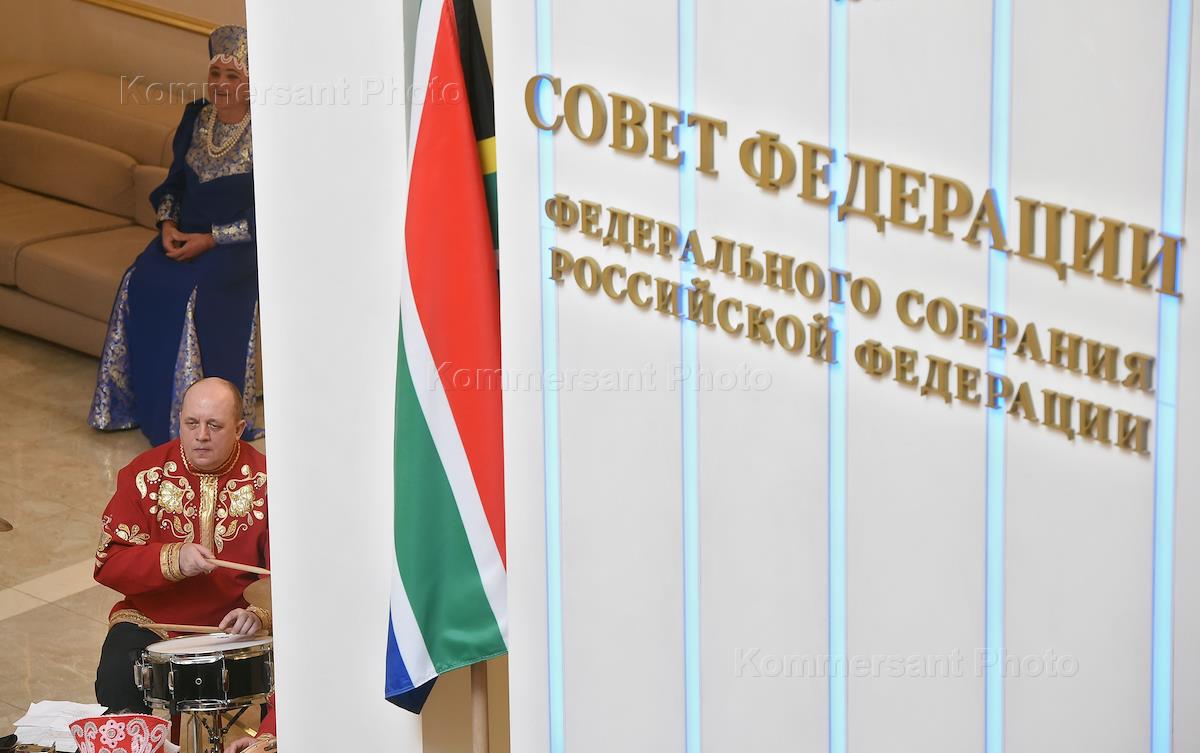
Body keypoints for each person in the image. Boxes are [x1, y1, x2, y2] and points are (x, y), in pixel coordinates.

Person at [89, 25, 262, 446]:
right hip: (185, 234)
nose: (220, 84)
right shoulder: (196, 117)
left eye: (232, 76)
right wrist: (167, 224)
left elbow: (271, 212)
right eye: (215, 73)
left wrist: (211, 239)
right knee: (140, 278)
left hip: (238, 247)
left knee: (190, 294)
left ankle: (194, 420)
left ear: (252, 82)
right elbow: (174, 184)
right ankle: (133, 407)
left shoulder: (269, 132)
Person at [93, 377, 271, 715]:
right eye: (191, 423)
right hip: (153, 620)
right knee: (116, 672)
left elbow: (290, 573)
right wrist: (171, 559)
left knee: (287, 687)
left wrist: (259, 615)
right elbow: (109, 562)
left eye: (214, 425)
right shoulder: (143, 475)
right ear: (179, 421)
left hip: (235, 626)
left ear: (239, 428)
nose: (201, 435)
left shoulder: (267, 481)